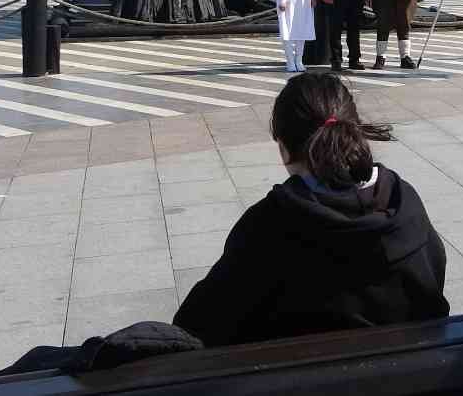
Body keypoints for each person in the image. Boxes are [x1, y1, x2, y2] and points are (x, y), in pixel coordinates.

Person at [168, 72, 448, 346]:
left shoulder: (271, 225)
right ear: (355, 130)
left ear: (284, 148)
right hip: (416, 371)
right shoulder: (403, 201)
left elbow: (199, 324)